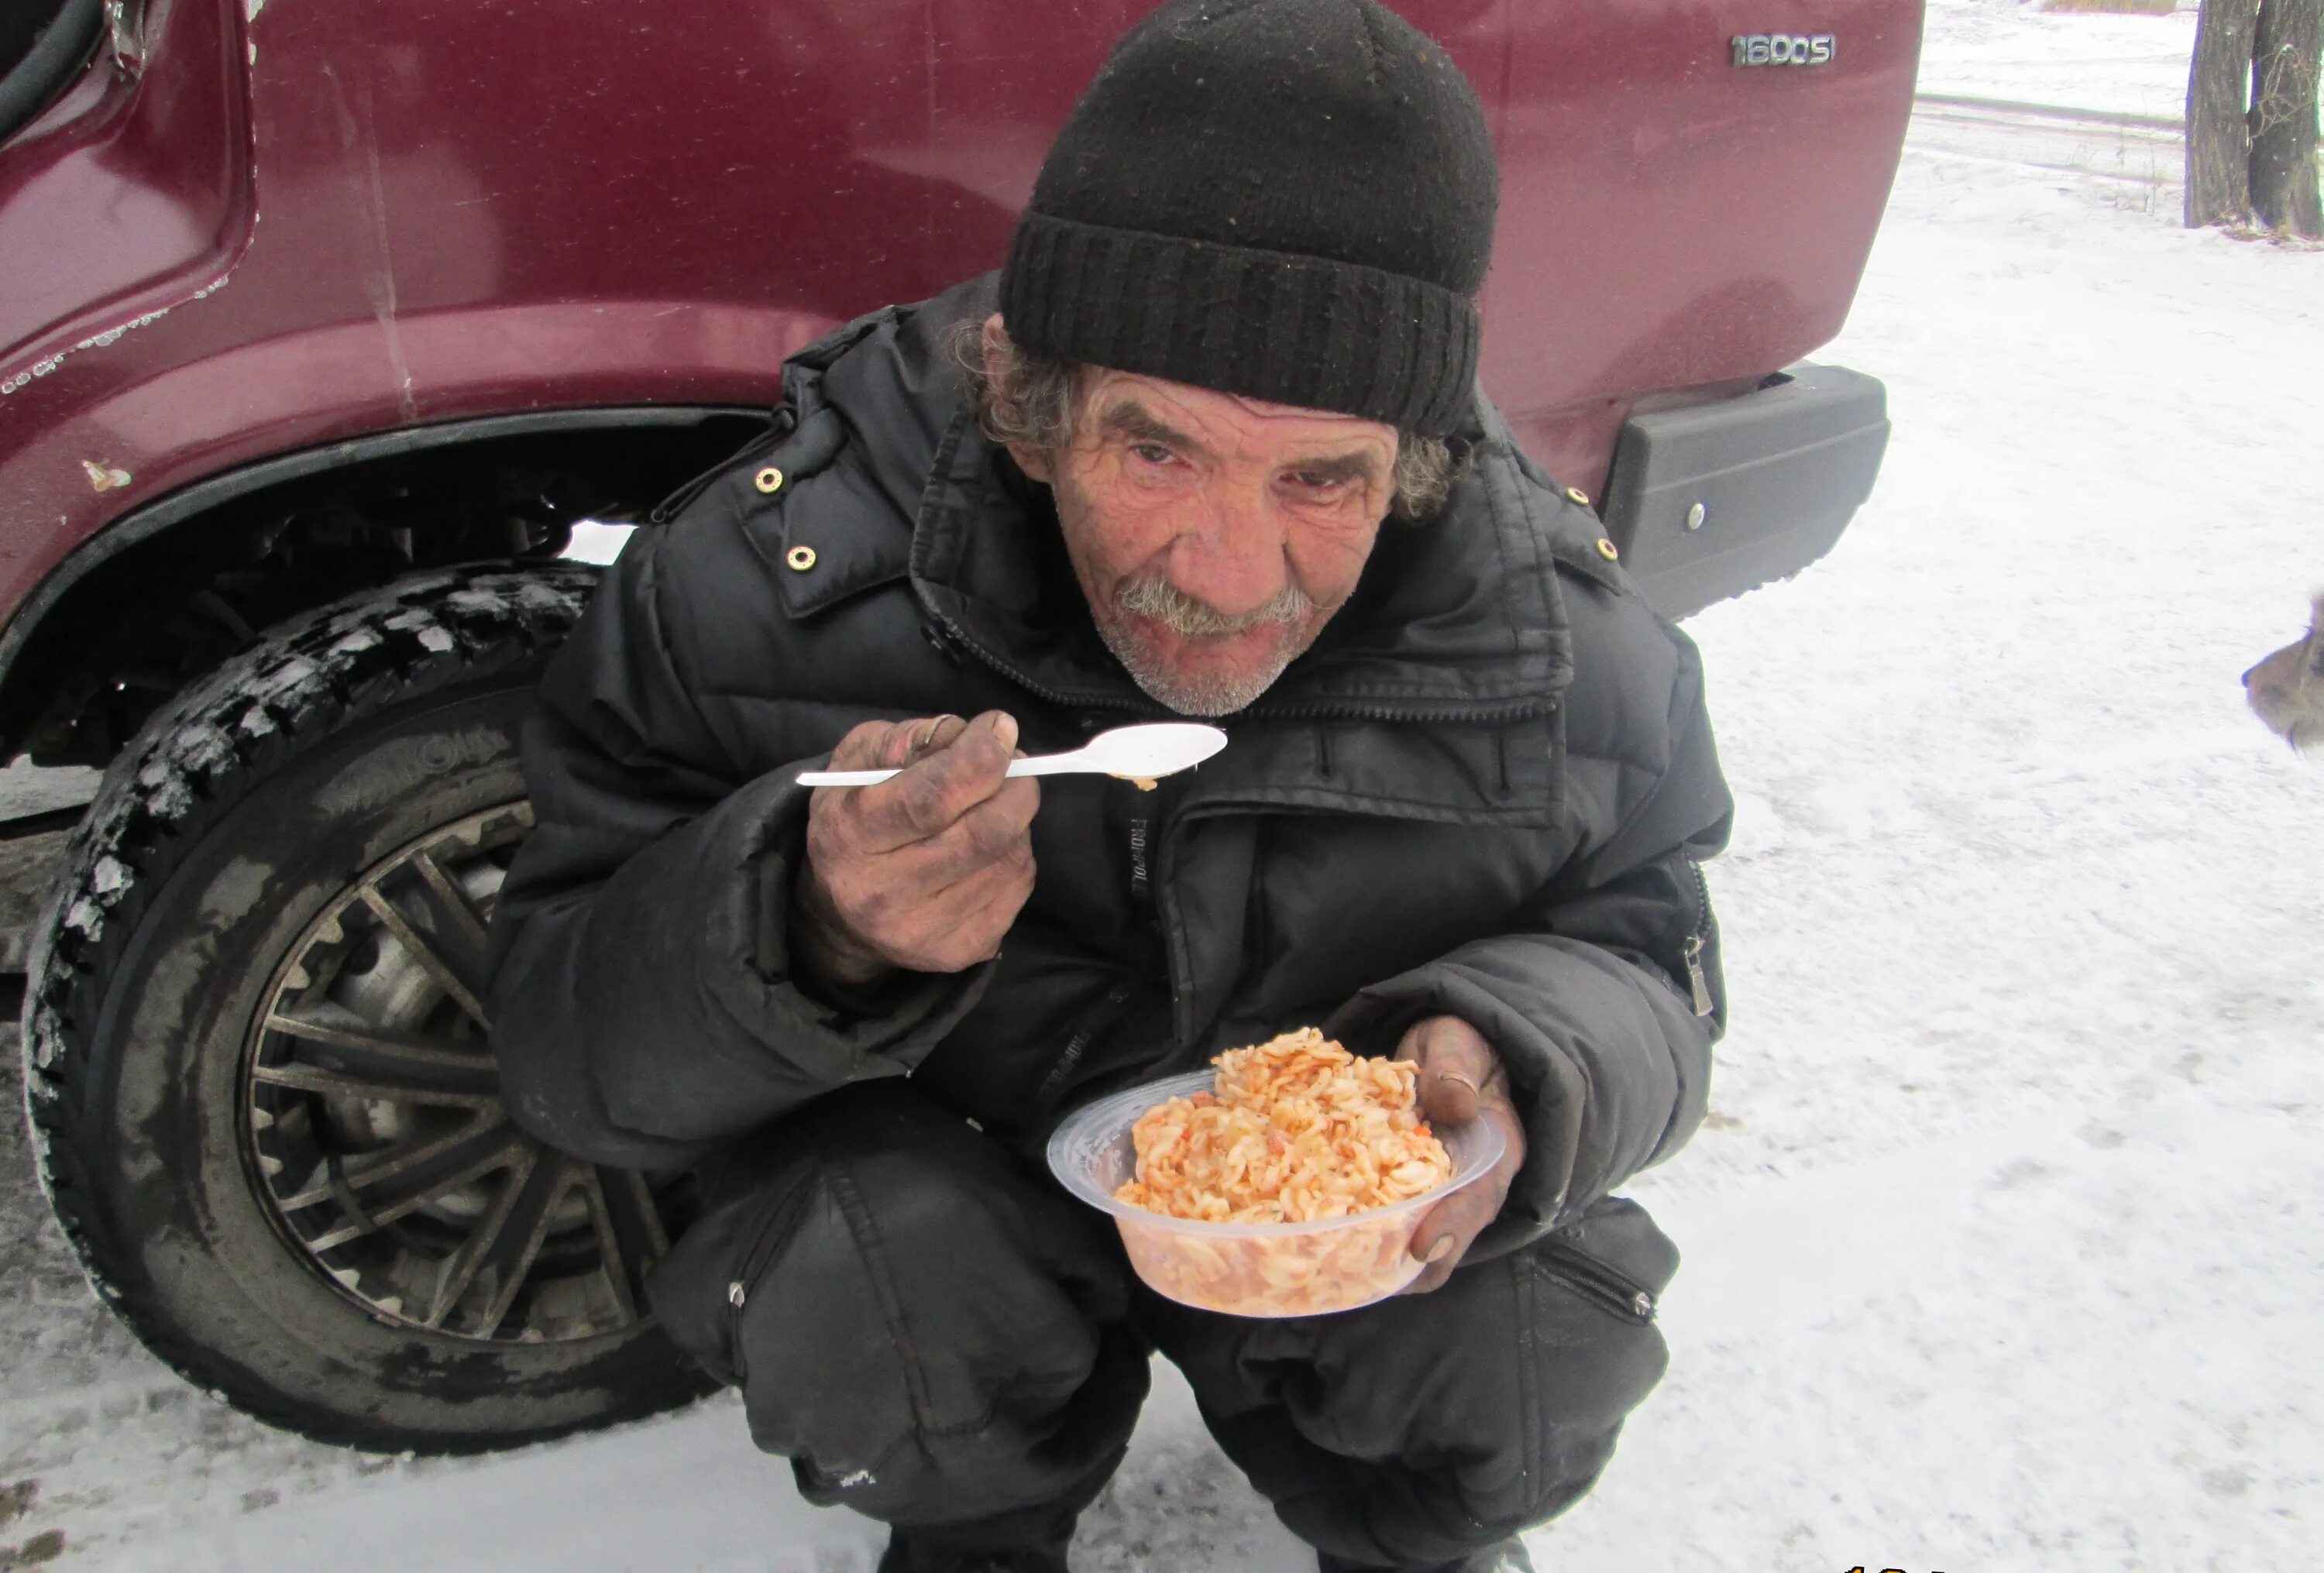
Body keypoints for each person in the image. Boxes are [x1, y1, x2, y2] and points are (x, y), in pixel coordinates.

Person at [485, 2, 1732, 1569]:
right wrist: (801, 924)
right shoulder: (762, 584)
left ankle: (1412, 1536)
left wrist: (1518, 1052)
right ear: (1029, 397)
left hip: (1312, 1221)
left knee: (1532, 1326)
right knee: (878, 1274)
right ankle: (977, 1531)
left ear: (1412, 462)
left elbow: (1652, 946)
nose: (1225, 572)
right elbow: (557, 1043)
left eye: (1322, 479)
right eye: (1156, 452)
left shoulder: (1565, 637)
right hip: (962, 1195)